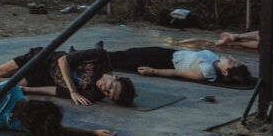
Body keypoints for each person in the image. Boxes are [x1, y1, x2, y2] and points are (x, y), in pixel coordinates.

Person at [0, 43, 136, 107]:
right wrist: (73, 91)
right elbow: (62, 60)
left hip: (42, 78)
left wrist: (27, 90)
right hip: (44, 59)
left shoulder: (94, 95)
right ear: (115, 77)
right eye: (111, 87)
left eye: (108, 95)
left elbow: (55, 91)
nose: (105, 90)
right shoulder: (100, 56)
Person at [107, 45, 254, 86]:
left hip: (164, 62)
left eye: (232, 62)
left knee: (128, 61)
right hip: (171, 53)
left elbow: (178, 73)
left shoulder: (207, 71)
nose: (231, 57)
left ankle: (101, 56)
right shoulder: (215, 59)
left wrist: (153, 71)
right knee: (132, 52)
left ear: (225, 72)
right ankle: (103, 53)